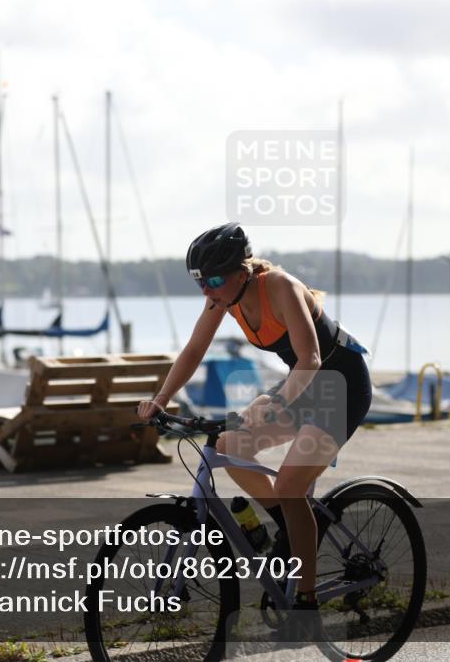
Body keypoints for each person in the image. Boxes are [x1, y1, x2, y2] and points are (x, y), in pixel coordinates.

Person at [137, 222, 373, 638]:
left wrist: (278, 402)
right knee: (230, 444)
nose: (207, 291)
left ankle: (306, 603)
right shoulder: (222, 299)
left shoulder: (279, 286)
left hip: (340, 384)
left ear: (240, 271)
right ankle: (294, 528)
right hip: (302, 384)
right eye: (199, 283)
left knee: (289, 484)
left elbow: (312, 357)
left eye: (213, 280)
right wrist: (161, 399)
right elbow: (193, 351)